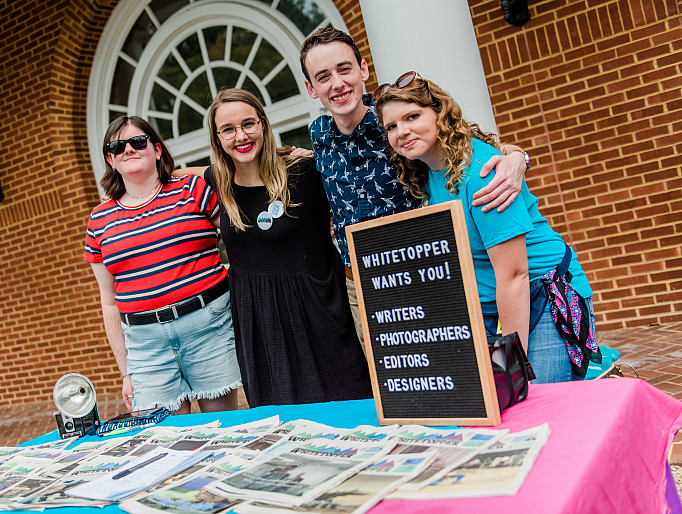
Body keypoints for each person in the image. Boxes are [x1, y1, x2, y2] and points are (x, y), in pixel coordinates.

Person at [299, 27, 529, 342]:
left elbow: (467, 145)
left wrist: (517, 160)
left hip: (424, 274)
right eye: (323, 77)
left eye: (344, 69)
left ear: (363, 69)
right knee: (393, 384)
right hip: (363, 284)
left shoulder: (396, 120)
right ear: (312, 89)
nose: (337, 83)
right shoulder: (320, 134)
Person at [375, 74, 601, 382]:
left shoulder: (480, 173)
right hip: (491, 306)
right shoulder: (427, 174)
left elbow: (514, 276)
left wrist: (508, 367)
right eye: (391, 126)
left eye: (412, 116)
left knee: (537, 402)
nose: (402, 131)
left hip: (542, 297)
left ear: (439, 114)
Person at [202, 88, 372, 407]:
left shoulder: (304, 172)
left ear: (263, 124)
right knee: (278, 415)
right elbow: (172, 177)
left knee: (348, 404)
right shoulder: (217, 182)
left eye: (248, 123)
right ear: (217, 138)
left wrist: (498, 160)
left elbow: (365, 173)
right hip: (259, 320)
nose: (240, 136)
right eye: (228, 129)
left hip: (316, 310)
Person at [84, 116, 241, 413]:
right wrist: (125, 371)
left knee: (224, 430)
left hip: (208, 329)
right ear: (110, 160)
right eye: (118, 146)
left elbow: (243, 248)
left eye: (138, 142)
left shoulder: (193, 190)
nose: (128, 149)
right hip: (146, 347)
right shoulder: (98, 220)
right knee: (167, 445)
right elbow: (108, 301)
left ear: (156, 149)